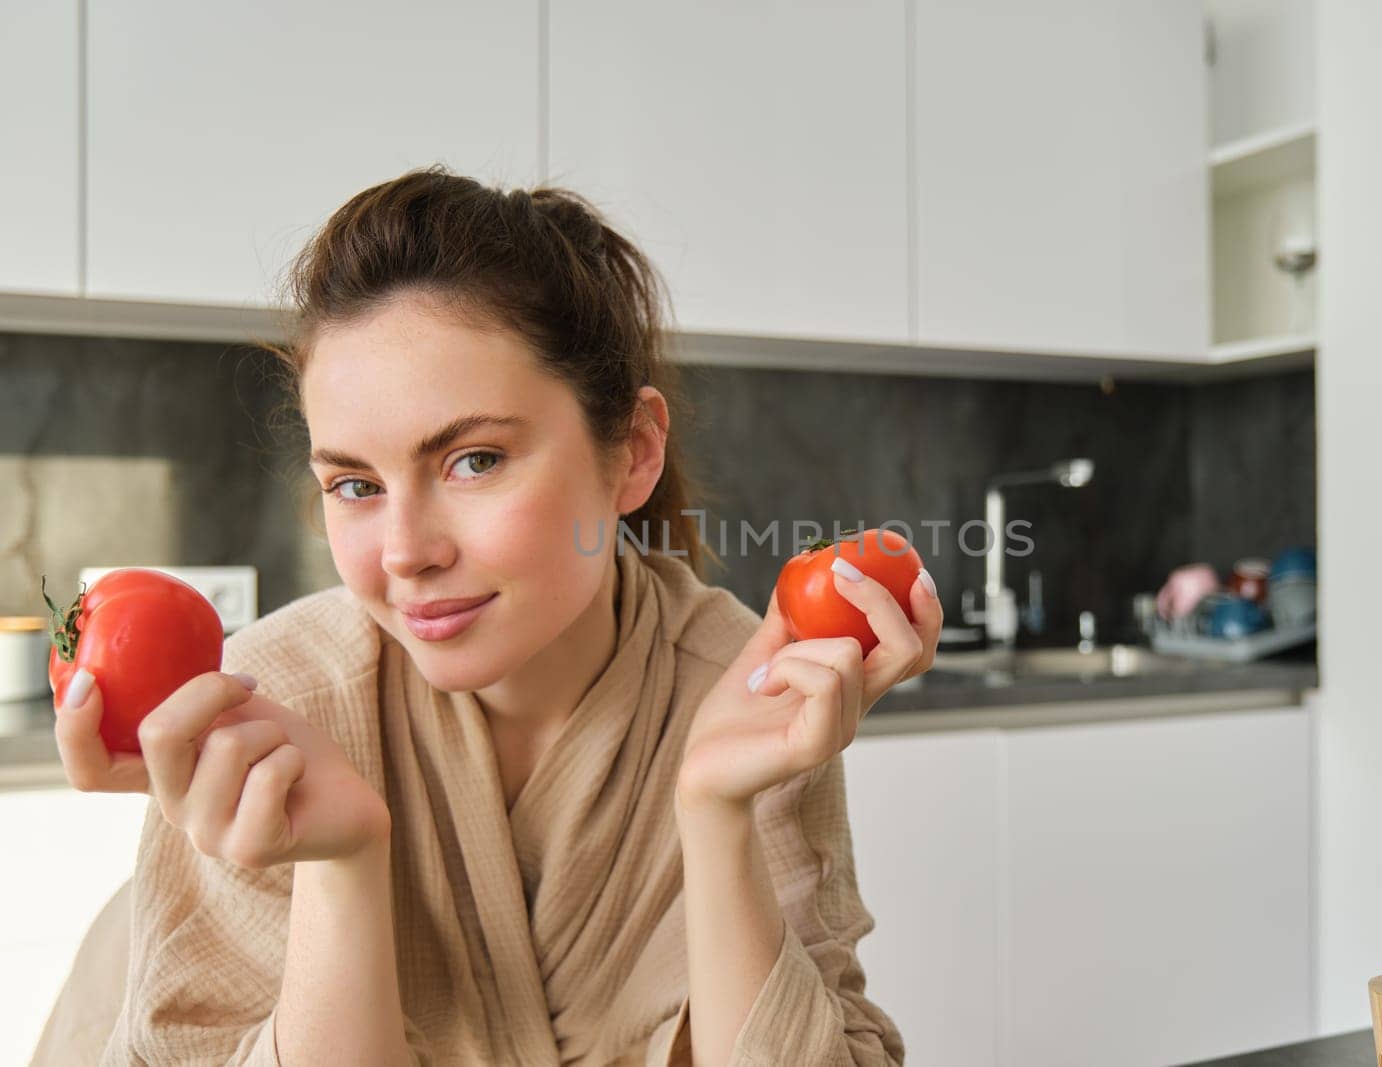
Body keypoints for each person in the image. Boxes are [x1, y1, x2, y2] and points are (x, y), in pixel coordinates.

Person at [33, 166, 941, 1066]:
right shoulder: (265, 709)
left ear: (632, 450)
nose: (404, 552)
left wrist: (714, 813)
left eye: (473, 461)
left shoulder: (748, 695)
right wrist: (344, 866)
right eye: (355, 484)